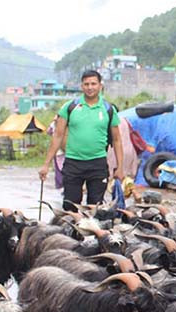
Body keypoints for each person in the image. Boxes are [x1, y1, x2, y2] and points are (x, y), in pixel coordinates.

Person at [39, 70, 124, 210]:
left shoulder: (108, 109)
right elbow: (58, 136)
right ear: (81, 86)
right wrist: (46, 164)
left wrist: (120, 168)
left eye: (93, 84)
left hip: (98, 164)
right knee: (70, 208)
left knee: (95, 208)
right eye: (86, 84)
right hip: (73, 163)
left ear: (100, 85)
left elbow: (117, 140)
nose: (90, 87)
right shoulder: (70, 107)